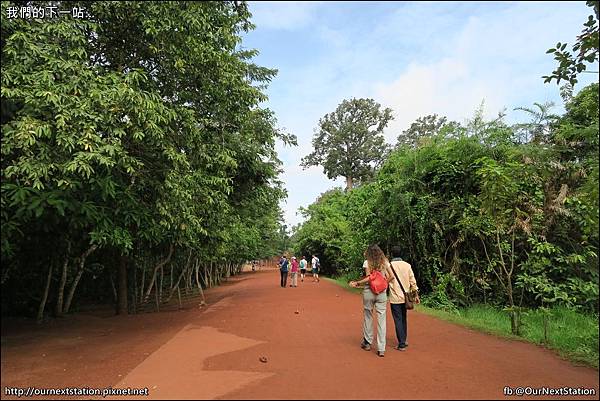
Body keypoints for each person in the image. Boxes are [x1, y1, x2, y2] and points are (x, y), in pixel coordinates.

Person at [349, 245, 394, 357]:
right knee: (381, 319)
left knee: (368, 316)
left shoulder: (367, 262)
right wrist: (384, 283)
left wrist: (357, 283)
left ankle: (367, 343)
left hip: (369, 291)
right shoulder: (385, 262)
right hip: (382, 293)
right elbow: (392, 276)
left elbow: (369, 278)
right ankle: (381, 348)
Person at [388, 246, 420, 351]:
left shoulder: (389, 266)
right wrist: (416, 295)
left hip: (395, 298)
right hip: (406, 297)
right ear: (401, 253)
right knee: (403, 318)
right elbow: (413, 281)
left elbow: (386, 280)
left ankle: (401, 343)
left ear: (392, 254)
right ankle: (404, 340)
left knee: (398, 319)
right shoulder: (407, 265)